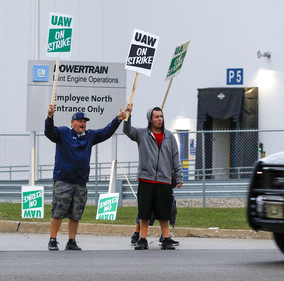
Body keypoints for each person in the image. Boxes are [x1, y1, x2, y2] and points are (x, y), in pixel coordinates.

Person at [44, 104, 126, 251]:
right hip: (64, 180)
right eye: (80, 121)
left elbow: (106, 132)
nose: (82, 123)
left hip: (80, 181)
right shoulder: (63, 133)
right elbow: (49, 132)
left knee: (76, 214)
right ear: (72, 122)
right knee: (58, 212)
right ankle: (53, 239)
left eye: (84, 121)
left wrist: (118, 119)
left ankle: (71, 241)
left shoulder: (90, 136)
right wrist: (50, 117)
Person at [123, 105, 183, 250]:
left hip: (164, 180)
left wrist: (179, 176)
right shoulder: (142, 134)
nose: (160, 119)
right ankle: (142, 239)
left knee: (165, 213)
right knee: (144, 212)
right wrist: (128, 116)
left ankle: (166, 239)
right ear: (150, 119)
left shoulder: (169, 137)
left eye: (161, 116)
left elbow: (176, 157)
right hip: (146, 179)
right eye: (156, 117)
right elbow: (127, 130)